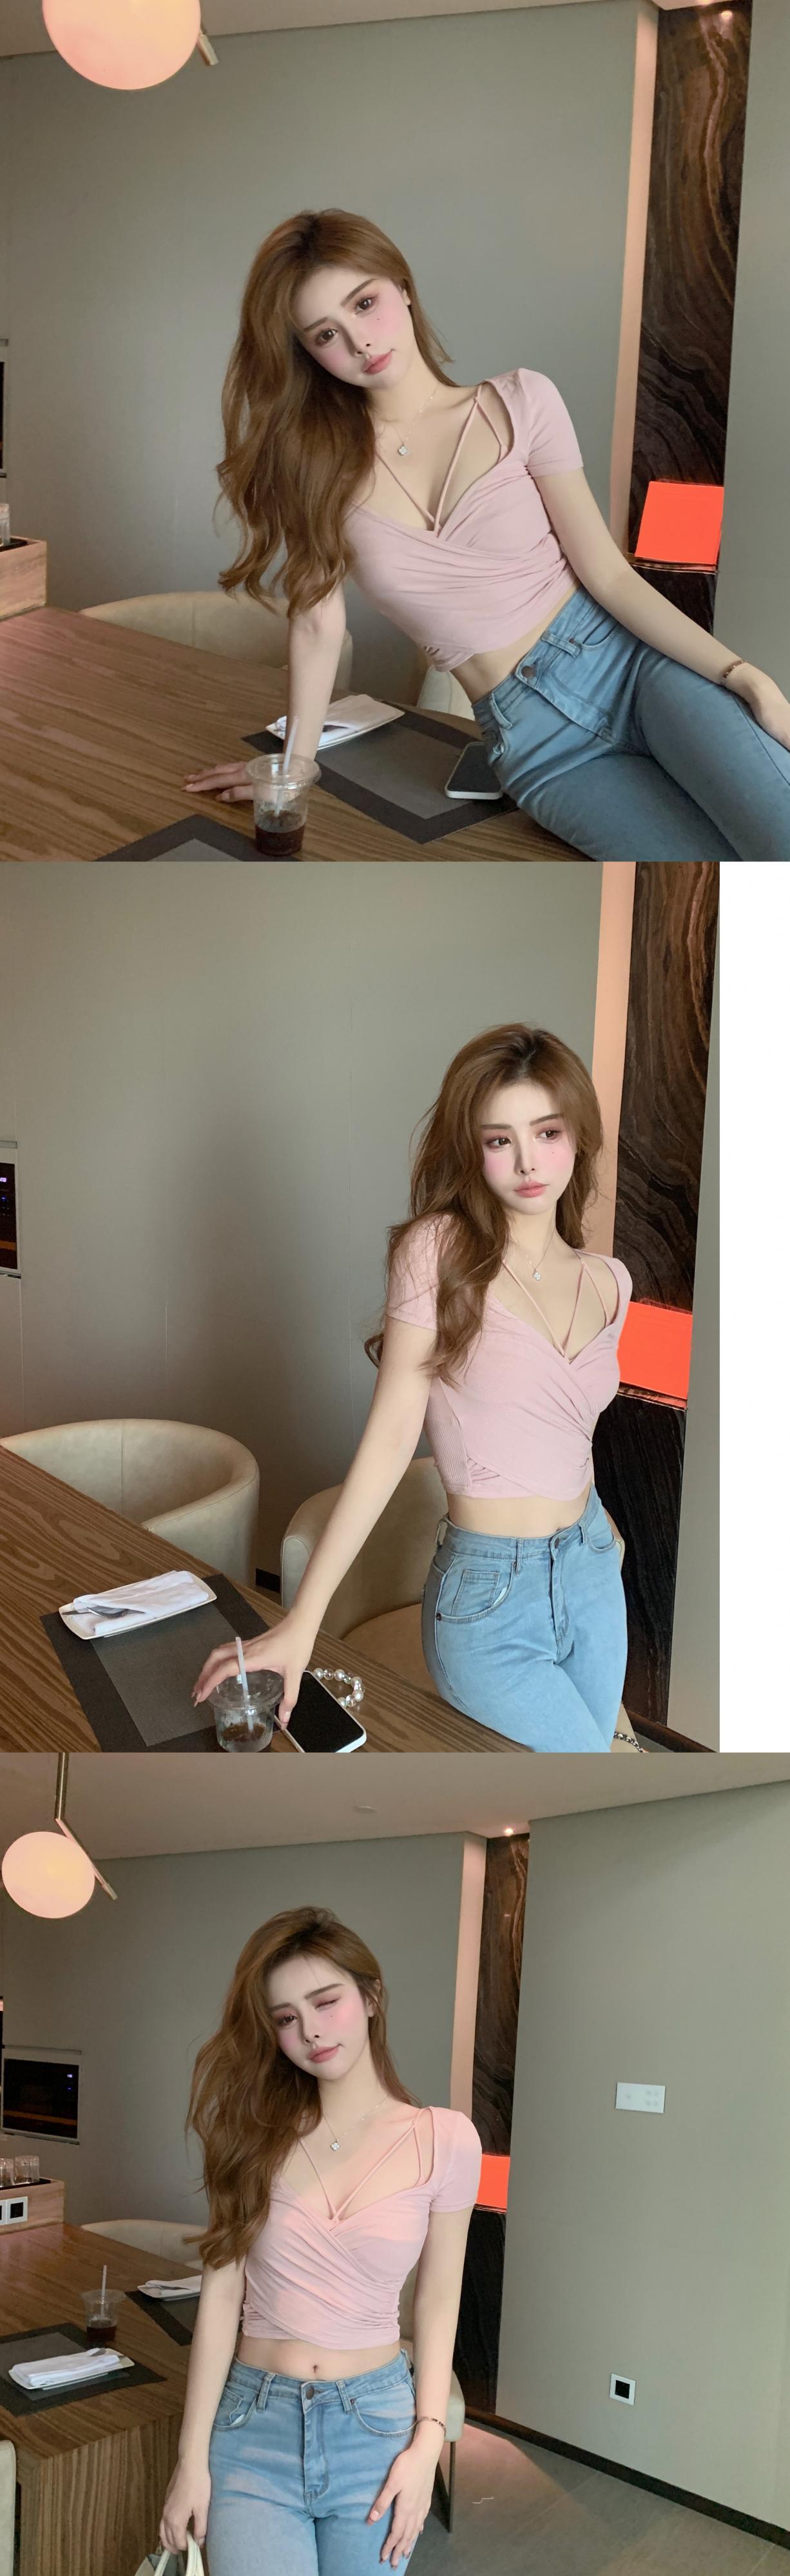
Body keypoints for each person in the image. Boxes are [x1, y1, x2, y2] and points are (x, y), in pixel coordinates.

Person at [186, 207, 790, 863]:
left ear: (402, 288)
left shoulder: (520, 402)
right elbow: (315, 623)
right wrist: (294, 768)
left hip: (636, 670)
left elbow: (610, 575)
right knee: (706, 885)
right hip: (536, 746)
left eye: (365, 303)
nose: (359, 341)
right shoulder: (315, 471)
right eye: (326, 333)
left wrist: (742, 676)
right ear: (307, 353)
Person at [195, 1026, 633, 1752]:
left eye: (547, 1131)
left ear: (578, 1135)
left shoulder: (611, 1283)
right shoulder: (437, 1253)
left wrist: (593, 1541)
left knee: (591, 1774)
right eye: (500, 1140)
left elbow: (564, 1432)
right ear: (473, 1150)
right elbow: (392, 1436)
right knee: (589, 1770)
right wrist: (301, 1620)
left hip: (589, 1568)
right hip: (488, 1597)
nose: (527, 1161)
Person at [159, 1905, 481, 2573]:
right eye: (285, 2017)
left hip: (375, 2430)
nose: (308, 2029)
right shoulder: (250, 2136)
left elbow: (439, 2298)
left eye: (326, 2001)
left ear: (371, 1997)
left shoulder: (446, 2140)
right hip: (253, 2430)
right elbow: (220, 2296)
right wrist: (191, 2459)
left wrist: (427, 2441)